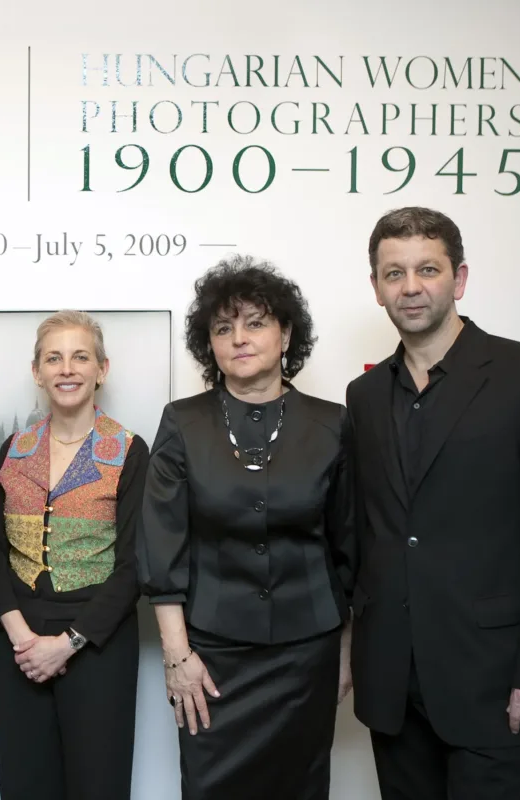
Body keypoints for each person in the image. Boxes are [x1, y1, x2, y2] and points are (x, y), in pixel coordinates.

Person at [347, 206, 520, 800]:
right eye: (394, 273)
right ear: (377, 287)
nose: (411, 287)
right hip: (394, 685)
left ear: (458, 279)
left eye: (427, 269)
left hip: (497, 683)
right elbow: (368, 534)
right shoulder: (364, 395)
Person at [138, 257, 357, 800]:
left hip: (307, 653)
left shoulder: (333, 423)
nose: (238, 338)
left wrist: (349, 650)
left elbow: (350, 547)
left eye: (255, 322)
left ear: (285, 334)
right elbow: (162, 549)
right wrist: (177, 658)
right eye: (222, 327)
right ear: (208, 344)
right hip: (210, 658)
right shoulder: (182, 422)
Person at [0, 311, 149, 800]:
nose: (67, 368)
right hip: (21, 646)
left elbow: (135, 564)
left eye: (80, 356)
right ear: (37, 371)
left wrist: (67, 644)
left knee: (98, 783)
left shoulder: (129, 451)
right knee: (25, 783)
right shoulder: (13, 449)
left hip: (99, 645)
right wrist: (23, 639)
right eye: (54, 357)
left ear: (102, 368)